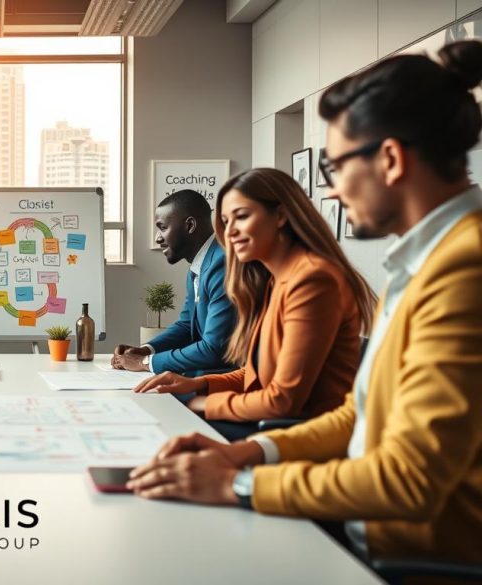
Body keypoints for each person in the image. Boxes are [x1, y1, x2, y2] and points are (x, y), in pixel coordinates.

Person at [127, 40, 482, 564]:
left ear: (389, 159)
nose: (332, 193)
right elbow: (355, 418)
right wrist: (241, 453)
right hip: (360, 521)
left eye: (335, 168)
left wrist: (238, 483)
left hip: (400, 556)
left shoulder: (463, 270)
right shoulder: (419, 266)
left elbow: (410, 479)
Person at [134, 168, 376, 440]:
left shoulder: (313, 281)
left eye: (242, 217)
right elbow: (256, 373)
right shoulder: (277, 280)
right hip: (272, 422)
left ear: (281, 216)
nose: (229, 232)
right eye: (225, 221)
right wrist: (198, 384)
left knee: (162, 429)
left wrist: (201, 402)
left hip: (297, 435)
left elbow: (281, 401)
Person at [112, 189, 235, 376]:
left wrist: (146, 362)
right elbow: (186, 326)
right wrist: (146, 350)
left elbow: (213, 349)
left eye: (162, 227)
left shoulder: (222, 264)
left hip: (226, 383)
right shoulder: (200, 265)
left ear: (190, 225)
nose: (157, 238)